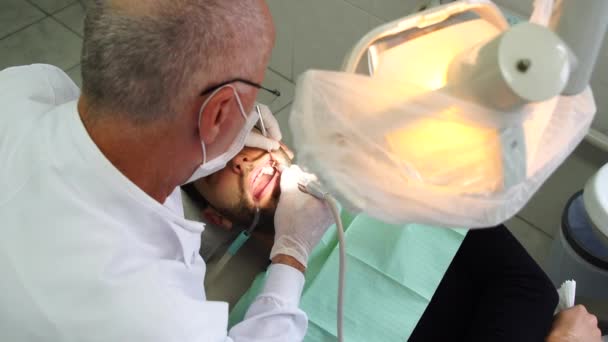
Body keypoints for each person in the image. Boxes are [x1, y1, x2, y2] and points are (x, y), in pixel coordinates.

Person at [0, 1, 333, 341]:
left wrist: (220, 147)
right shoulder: (146, 311)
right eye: (258, 88)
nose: (243, 161)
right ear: (216, 114)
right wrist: (292, 255)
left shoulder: (22, 87)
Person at [185, 144, 603, 342]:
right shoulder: (262, 323)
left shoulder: (390, 190)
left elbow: (526, 287)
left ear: (280, 145)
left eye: (243, 143)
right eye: (214, 168)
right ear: (216, 218)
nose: (238, 161)